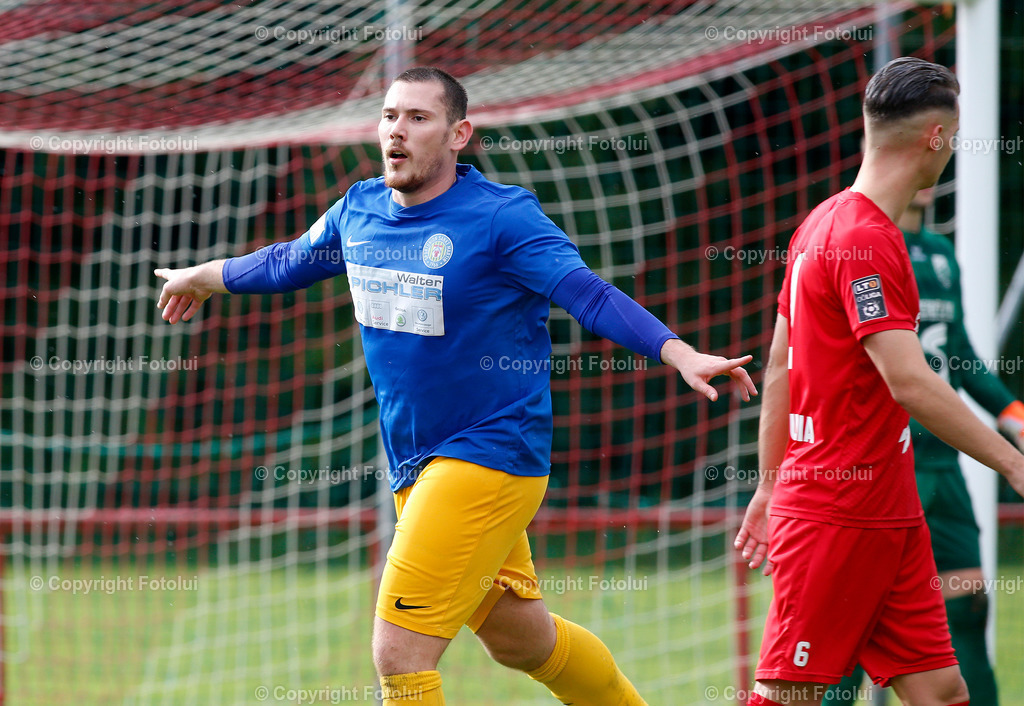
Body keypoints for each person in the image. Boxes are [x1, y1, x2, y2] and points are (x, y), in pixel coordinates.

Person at [155, 66, 757, 705]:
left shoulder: (501, 218)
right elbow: (289, 261)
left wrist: (677, 351)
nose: (398, 130)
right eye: (390, 116)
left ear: (458, 133)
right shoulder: (359, 211)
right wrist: (204, 274)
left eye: (418, 118)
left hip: (490, 456)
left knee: (399, 650)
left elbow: (587, 295)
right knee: (523, 641)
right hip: (416, 466)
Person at [733, 56, 1024, 706]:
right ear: (937, 138)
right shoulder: (868, 239)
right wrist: (1011, 461)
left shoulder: (820, 221)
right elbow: (909, 382)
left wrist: (768, 482)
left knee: (944, 692)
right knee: (790, 697)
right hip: (837, 516)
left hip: (890, 516)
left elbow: (779, 367)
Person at [821, 187, 1024, 706]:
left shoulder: (940, 251)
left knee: (968, 608)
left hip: (944, 462)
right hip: (882, 465)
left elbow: (956, 351)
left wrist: (1011, 413)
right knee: (849, 626)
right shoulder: (860, 243)